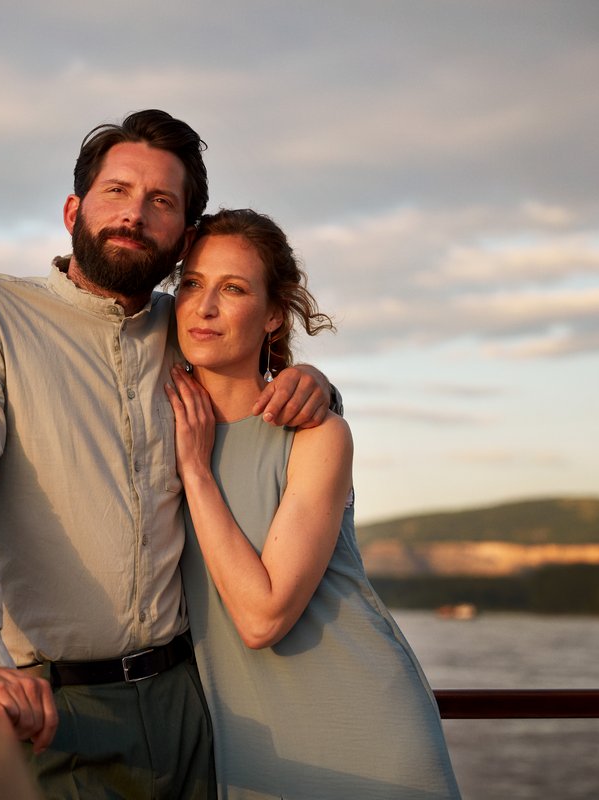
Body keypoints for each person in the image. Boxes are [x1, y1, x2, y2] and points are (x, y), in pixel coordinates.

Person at [0, 111, 336, 798]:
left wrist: (313, 382)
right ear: (73, 208)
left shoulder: (188, 326)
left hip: (187, 704)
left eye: (161, 202)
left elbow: (260, 368)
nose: (134, 215)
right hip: (49, 709)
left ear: (185, 235)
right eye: (117, 192)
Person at [166, 209, 461, 799]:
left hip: (368, 738)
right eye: (192, 284)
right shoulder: (158, 423)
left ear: (274, 314)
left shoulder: (317, 435)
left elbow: (263, 616)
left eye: (234, 289)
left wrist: (196, 473)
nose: (204, 307)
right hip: (253, 750)